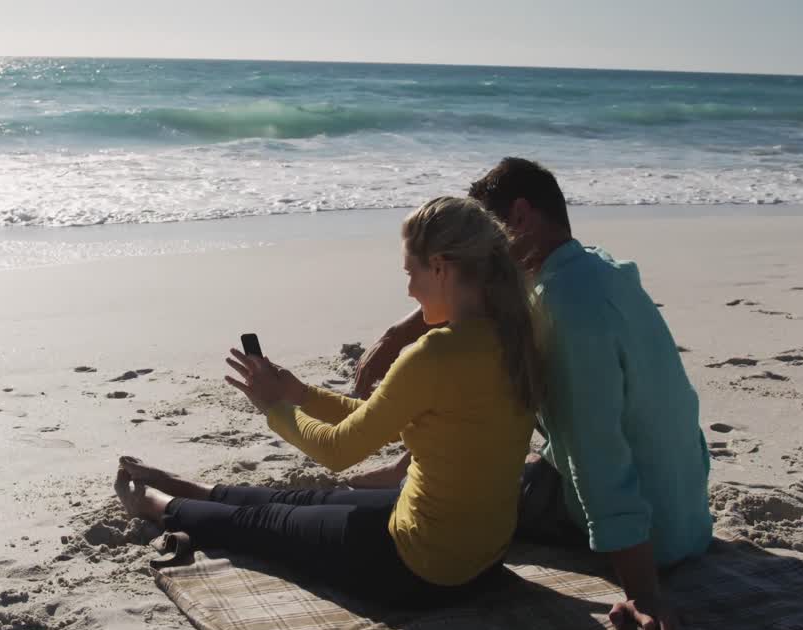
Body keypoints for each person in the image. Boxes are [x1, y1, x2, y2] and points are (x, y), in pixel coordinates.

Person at [113, 196, 541, 608]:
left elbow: (338, 451)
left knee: (263, 527)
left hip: (420, 572)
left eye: (410, 273)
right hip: (481, 558)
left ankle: (153, 503)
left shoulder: (434, 354)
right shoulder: (514, 337)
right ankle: (197, 491)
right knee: (306, 502)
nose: (409, 290)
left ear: (440, 268)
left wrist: (273, 409)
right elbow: (379, 419)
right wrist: (298, 394)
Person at [353, 158, 712, 630]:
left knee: (475, 491)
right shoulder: (596, 269)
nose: (482, 259)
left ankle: (405, 478)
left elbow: (596, 456)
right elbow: (488, 294)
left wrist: (643, 592)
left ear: (520, 218)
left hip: (652, 536)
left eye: (487, 244)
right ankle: (405, 468)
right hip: (687, 511)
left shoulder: (566, 314)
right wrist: (401, 330)